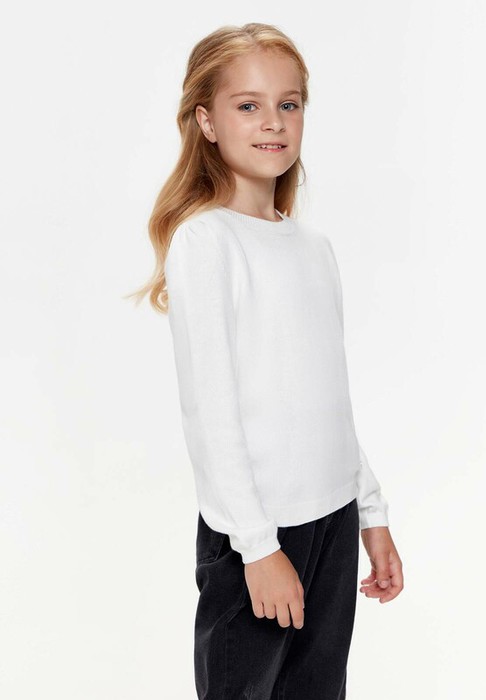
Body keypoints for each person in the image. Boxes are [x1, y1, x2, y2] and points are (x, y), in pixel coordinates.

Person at [133, 22, 404, 700]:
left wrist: (370, 513)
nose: (273, 122)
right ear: (206, 121)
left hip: (333, 520)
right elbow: (211, 413)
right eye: (248, 105)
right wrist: (257, 547)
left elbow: (329, 399)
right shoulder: (206, 242)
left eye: (289, 104)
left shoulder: (312, 248)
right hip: (256, 531)